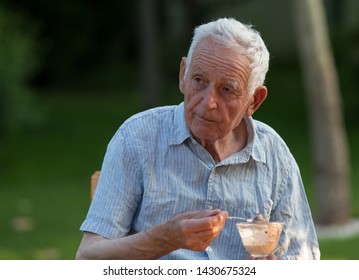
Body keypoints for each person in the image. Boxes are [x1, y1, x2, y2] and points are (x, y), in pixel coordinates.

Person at [76, 17, 320, 260]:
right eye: (199, 81)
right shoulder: (137, 139)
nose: (208, 102)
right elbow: (87, 259)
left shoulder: (274, 154)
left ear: (254, 100)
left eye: (227, 90)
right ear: (183, 74)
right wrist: (164, 238)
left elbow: (303, 258)